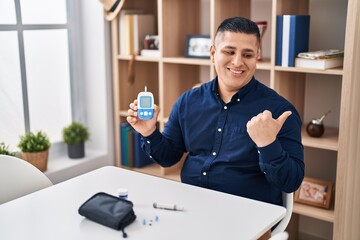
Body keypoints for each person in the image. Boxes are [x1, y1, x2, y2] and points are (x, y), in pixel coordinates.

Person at [127, 16, 304, 238]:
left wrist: (268, 144)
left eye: (247, 54)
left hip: (247, 219)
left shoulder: (278, 111)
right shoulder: (188, 101)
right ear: (213, 52)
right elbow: (168, 157)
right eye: (229, 51)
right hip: (189, 210)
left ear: (257, 57)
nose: (238, 62)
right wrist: (149, 132)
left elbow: (292, 181)